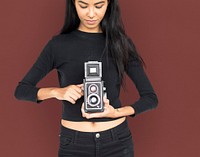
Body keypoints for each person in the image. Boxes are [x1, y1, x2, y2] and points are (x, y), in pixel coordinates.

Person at [15, 0, 158, 156]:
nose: (91, 14)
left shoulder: (121, 44)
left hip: (117, 141)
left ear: (109, 4)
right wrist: (57, 92)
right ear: (73, 5)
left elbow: (150, 98)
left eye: (98, 6)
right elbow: (22, 90)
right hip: (74, 144)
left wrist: (116, 112)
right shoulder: (58, 45)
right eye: (83, 6)